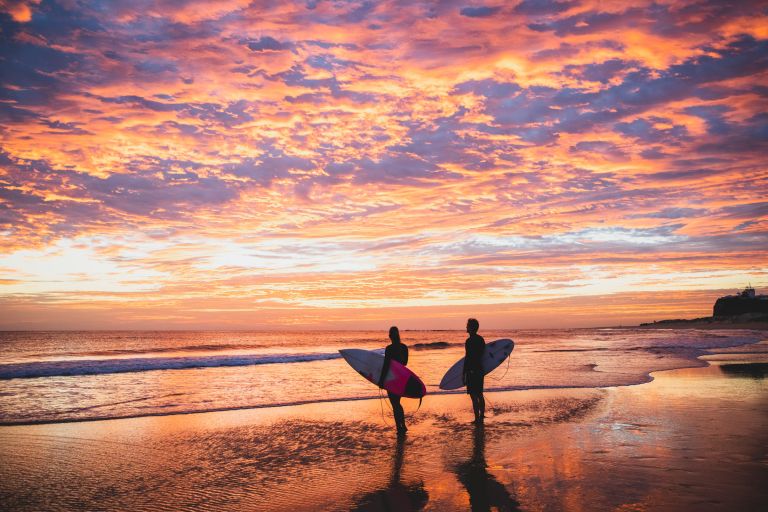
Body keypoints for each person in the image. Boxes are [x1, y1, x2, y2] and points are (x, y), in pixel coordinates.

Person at [378, 326, 409, 436]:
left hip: (391, 379)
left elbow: (386, 366)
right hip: (401, 378)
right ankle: (403, 425)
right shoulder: (404, 347)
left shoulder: (389, 349)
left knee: (394, 404)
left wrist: (381, 381)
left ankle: (399, 427)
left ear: (390, 336)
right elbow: (405, 363)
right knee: (397, 403)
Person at [464, 318, 486, 423]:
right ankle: (482, 416)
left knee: (473, 395)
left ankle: (477, 418)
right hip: (480, 370)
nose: (466, 327)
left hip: (472, 370)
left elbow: (468, 358)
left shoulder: (469, 341)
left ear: (471, 327)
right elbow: (483, 355)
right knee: (480, 394)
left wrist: (464, 372)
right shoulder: (481, 339)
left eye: (467, 325)